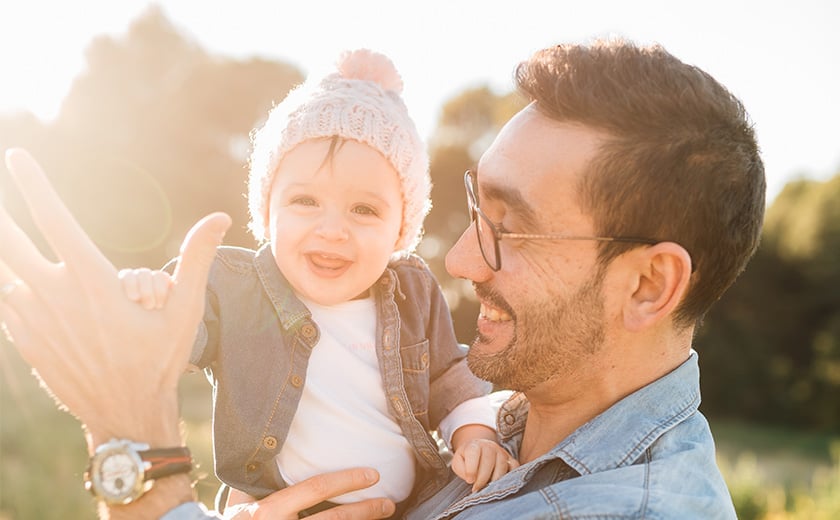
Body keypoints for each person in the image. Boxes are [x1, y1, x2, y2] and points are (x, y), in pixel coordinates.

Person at [0, 37, 764, 519]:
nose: (460, 259)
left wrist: (137, 455)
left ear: (647, 286)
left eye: (511, 225)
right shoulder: (511, 419)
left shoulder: (618, 509)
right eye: (474, 207)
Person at [116, 48, 511, 516]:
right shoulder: (234, 286)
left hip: (403, 507)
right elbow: (171, 340)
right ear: (268, 212)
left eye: (364, 210)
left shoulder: (412, 292)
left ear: (400, 230)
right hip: (272, 507)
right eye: (305, 201)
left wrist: (476, 435)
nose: (332, 230)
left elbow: (449, 378)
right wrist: (147, 301)